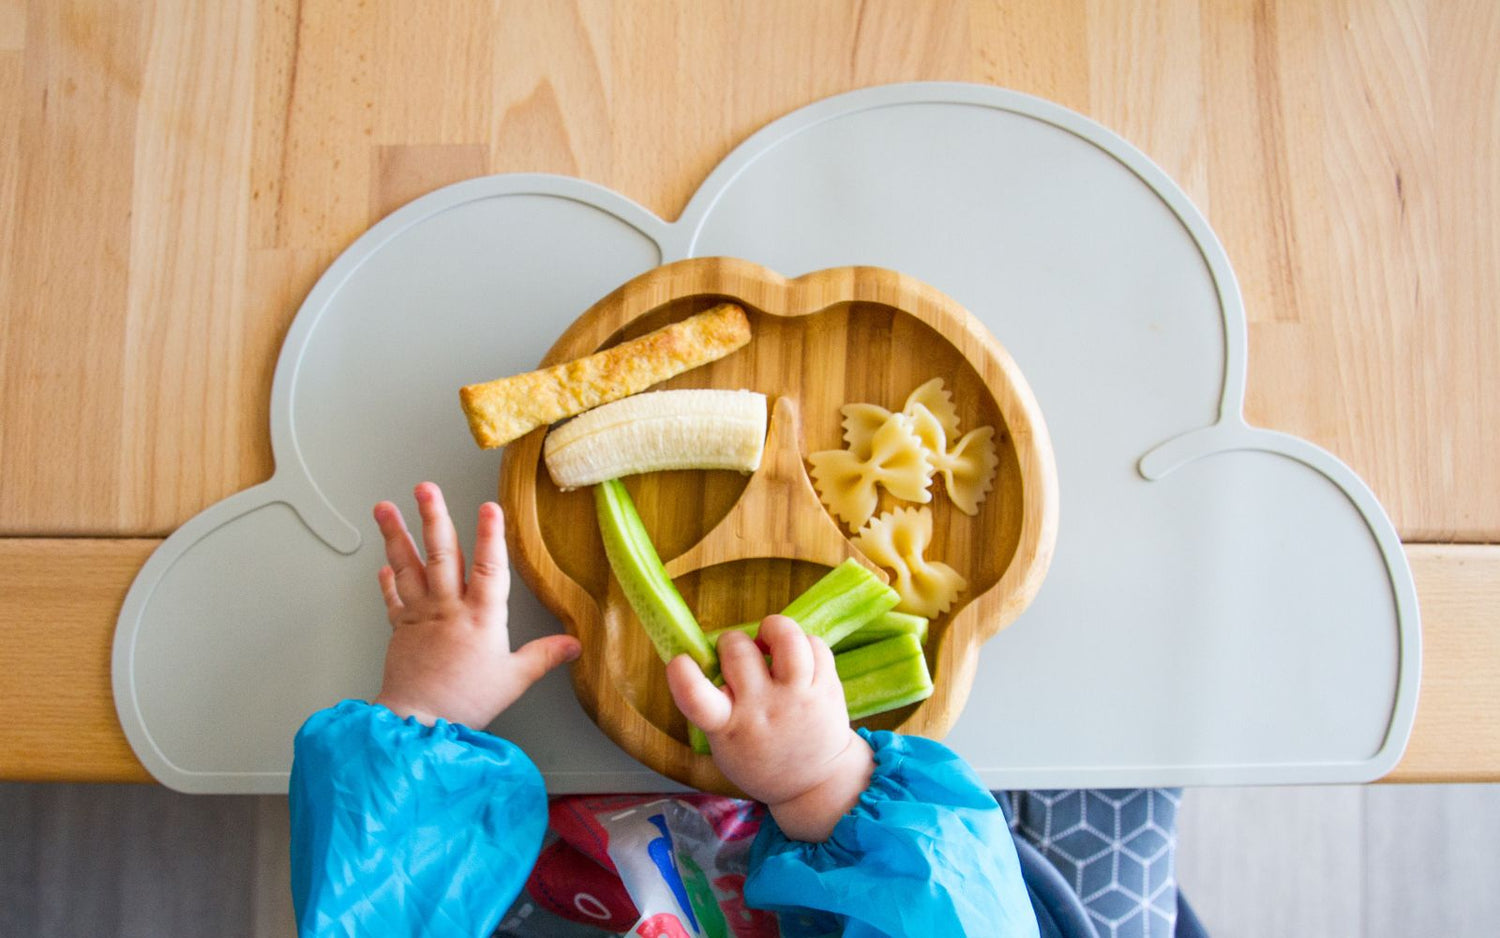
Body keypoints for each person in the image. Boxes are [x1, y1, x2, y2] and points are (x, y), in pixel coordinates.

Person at [289, 481, 1041, 936]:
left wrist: (426, 711)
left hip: (512, 856)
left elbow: (374, 905)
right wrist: (823, 779)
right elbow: (954, 908)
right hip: (837, 855)